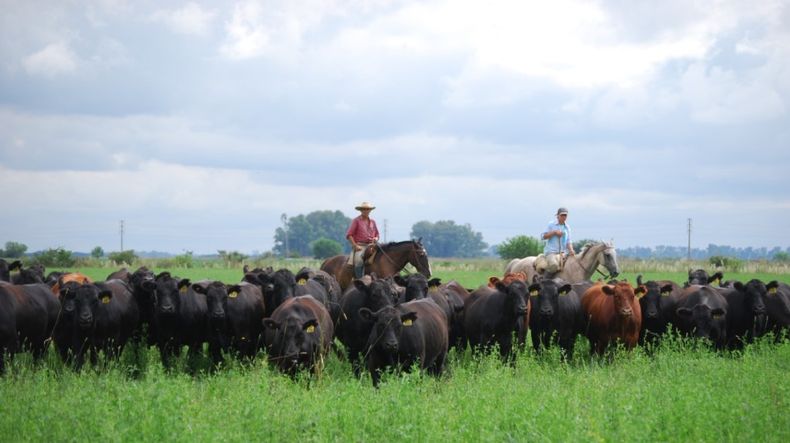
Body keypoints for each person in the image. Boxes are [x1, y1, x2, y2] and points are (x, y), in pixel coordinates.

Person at [537, 207, 575, 277]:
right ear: (557, 216)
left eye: (565, 215)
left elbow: (568, 241)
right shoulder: (551, 224)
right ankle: (544, 281)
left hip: (564, 253)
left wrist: (571, 250)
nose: (564, 217)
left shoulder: (567, 227)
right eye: (562, 215)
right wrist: (554, 232)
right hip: (551, 252)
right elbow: (543, 236)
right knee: (554, 265)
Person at [346, 201, 380, 278]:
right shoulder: (356, 221)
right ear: (361, 210)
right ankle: (360, 280)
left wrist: (376, 238)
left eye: (368, 209)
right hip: (361, 246)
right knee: (358, 262)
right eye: (364, 209)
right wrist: (355, 245)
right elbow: (349, 235)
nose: (366, 211)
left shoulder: (373, 222)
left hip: (372, 245)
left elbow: (377, 234)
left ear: (370, 210)